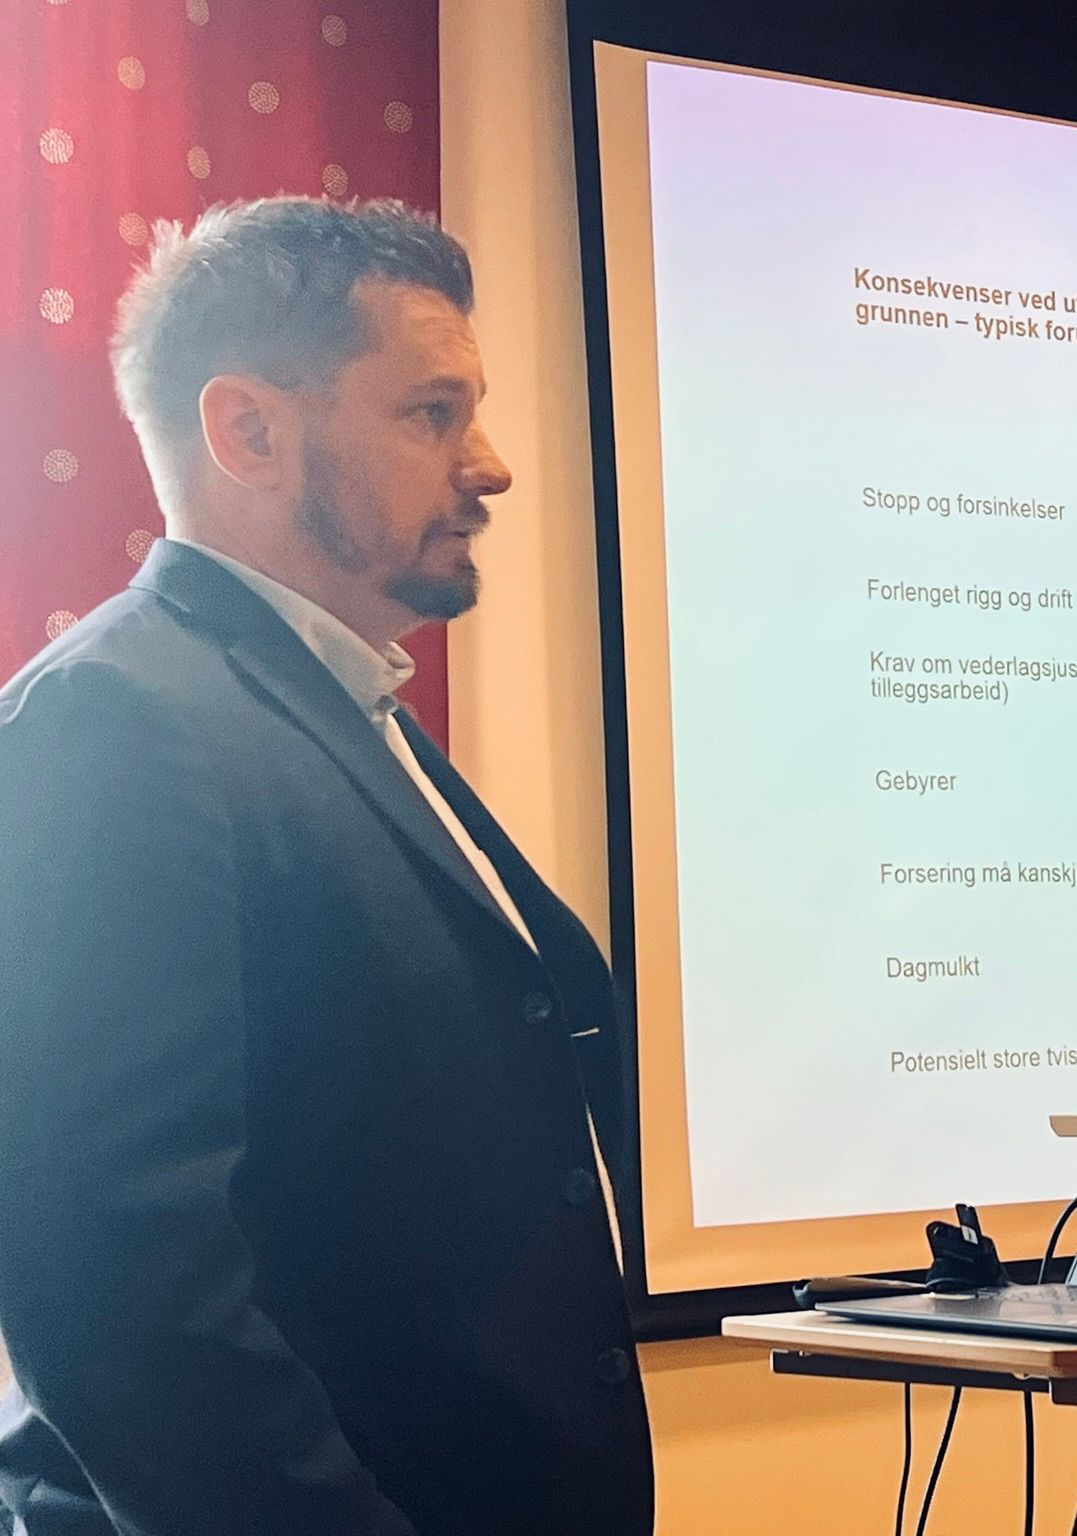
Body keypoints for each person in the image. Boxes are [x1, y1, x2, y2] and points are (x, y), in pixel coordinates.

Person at [0, 199, 655, 1536]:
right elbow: (112, 1272)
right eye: (431, 413)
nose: (490, 466)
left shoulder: (346, 710)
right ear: (248, 431)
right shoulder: (115, 718)